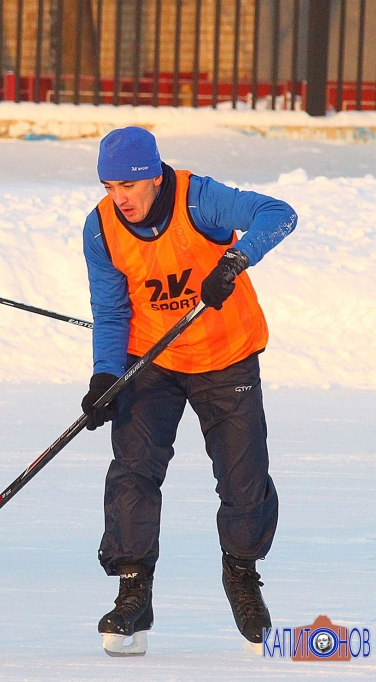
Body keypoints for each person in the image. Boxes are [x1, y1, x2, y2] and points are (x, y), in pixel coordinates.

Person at [80, 127, 295, 653]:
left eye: (127, 186)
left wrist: (234, 260)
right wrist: (106, 375)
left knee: (243, 478)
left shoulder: (200, 200)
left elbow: (279, 213)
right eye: (109, 187)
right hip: (152, 359)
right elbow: (111, 311)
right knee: (133, 468)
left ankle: (241, 575)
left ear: (154, 177)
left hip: (226, 357)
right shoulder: (101, 228)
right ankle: (134, 591)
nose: (119, 198)